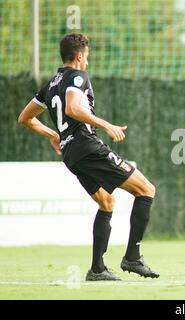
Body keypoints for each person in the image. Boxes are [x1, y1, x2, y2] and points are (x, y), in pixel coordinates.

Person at [18, 33, 160, 280]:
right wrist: (105, 125)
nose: (87, 61)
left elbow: (25, 118)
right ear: (80, 55)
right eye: (87, 57)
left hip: (71, 154)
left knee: (106, 202)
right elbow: (73, 107)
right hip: (87, 146)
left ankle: (97, 269)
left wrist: (54, 134)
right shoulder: (77, 76)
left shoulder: (50, 84)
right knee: (146, 190)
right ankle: (133, 258)